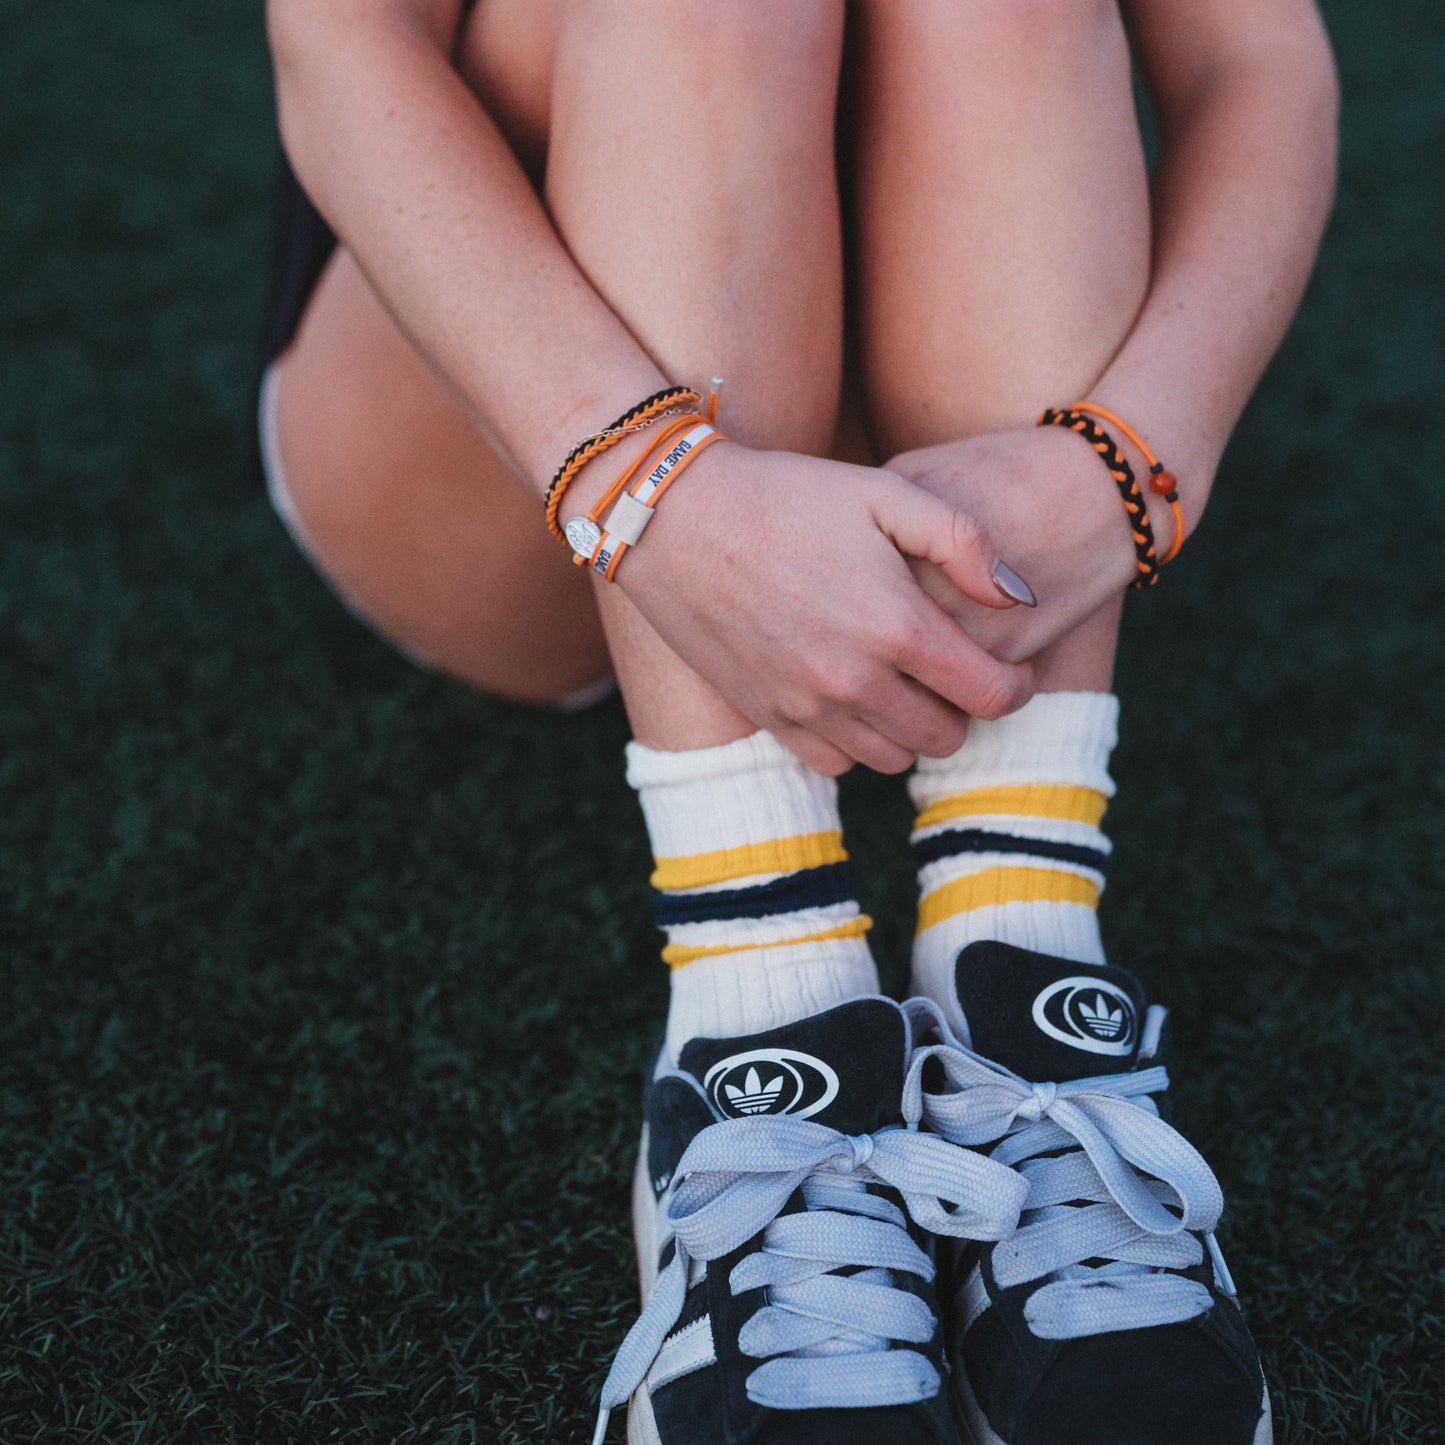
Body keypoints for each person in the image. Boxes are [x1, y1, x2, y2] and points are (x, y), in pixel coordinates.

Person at [259, 2, 1339, 1441]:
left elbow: (1253, 59)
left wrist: (1135, 460)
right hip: (525, 416)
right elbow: (338, 53)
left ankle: (1021, 956)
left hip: (919, 382)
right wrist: (657, 495)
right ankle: (758, 1005)